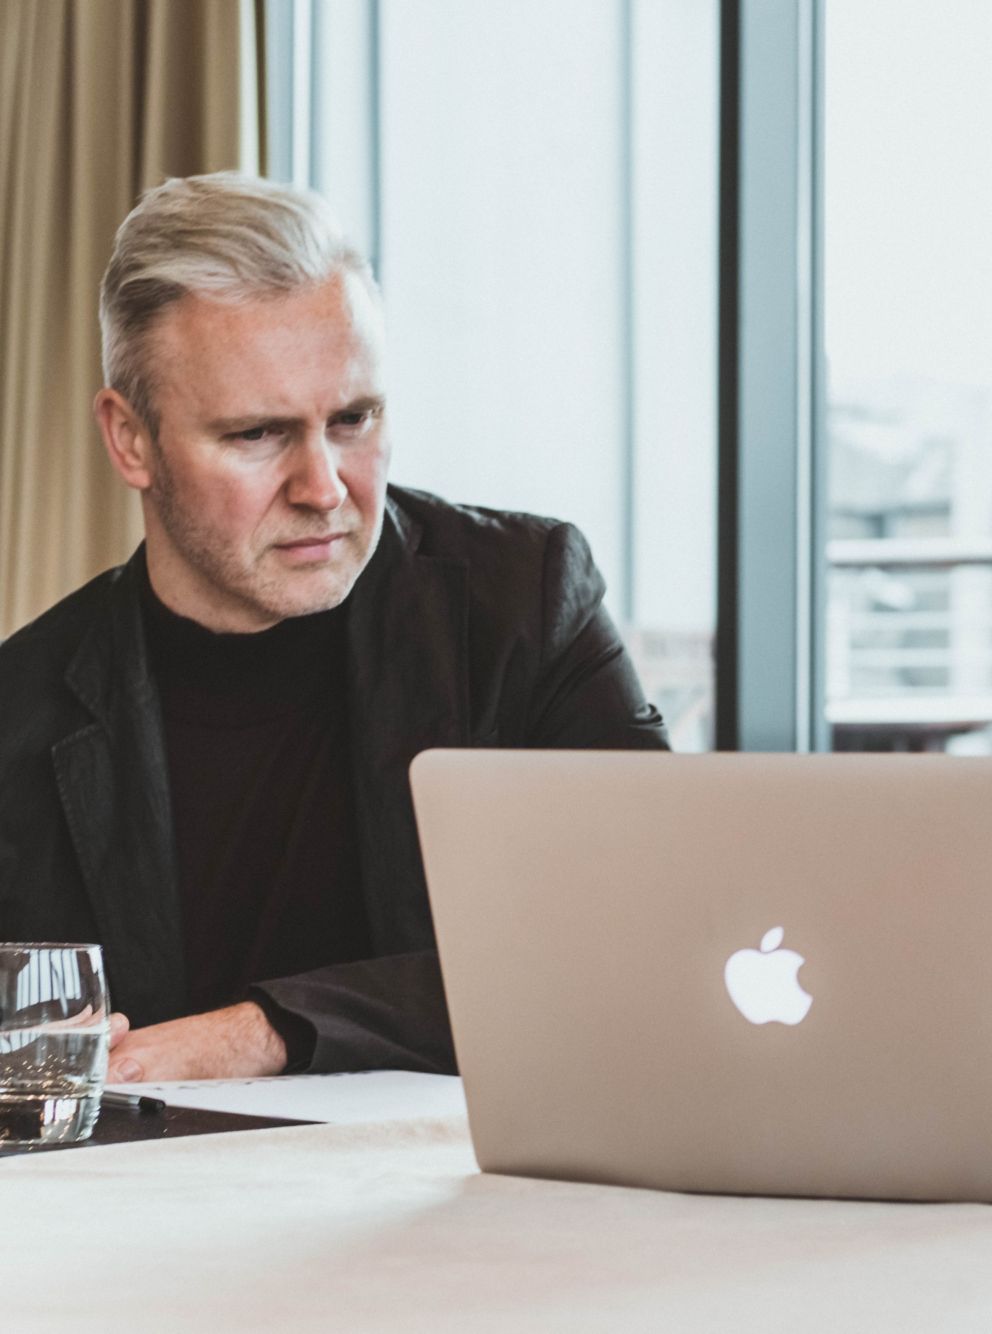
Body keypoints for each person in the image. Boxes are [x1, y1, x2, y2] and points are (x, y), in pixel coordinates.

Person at [0, 174, 669, 1081]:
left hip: (464, 1198)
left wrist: (265, 1032)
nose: (324, 488)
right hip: (146, 1207)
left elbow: (647, 936)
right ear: (131, 441)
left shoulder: (525, 604)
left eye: (353, 420)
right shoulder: (21, 707)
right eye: (257, 436)